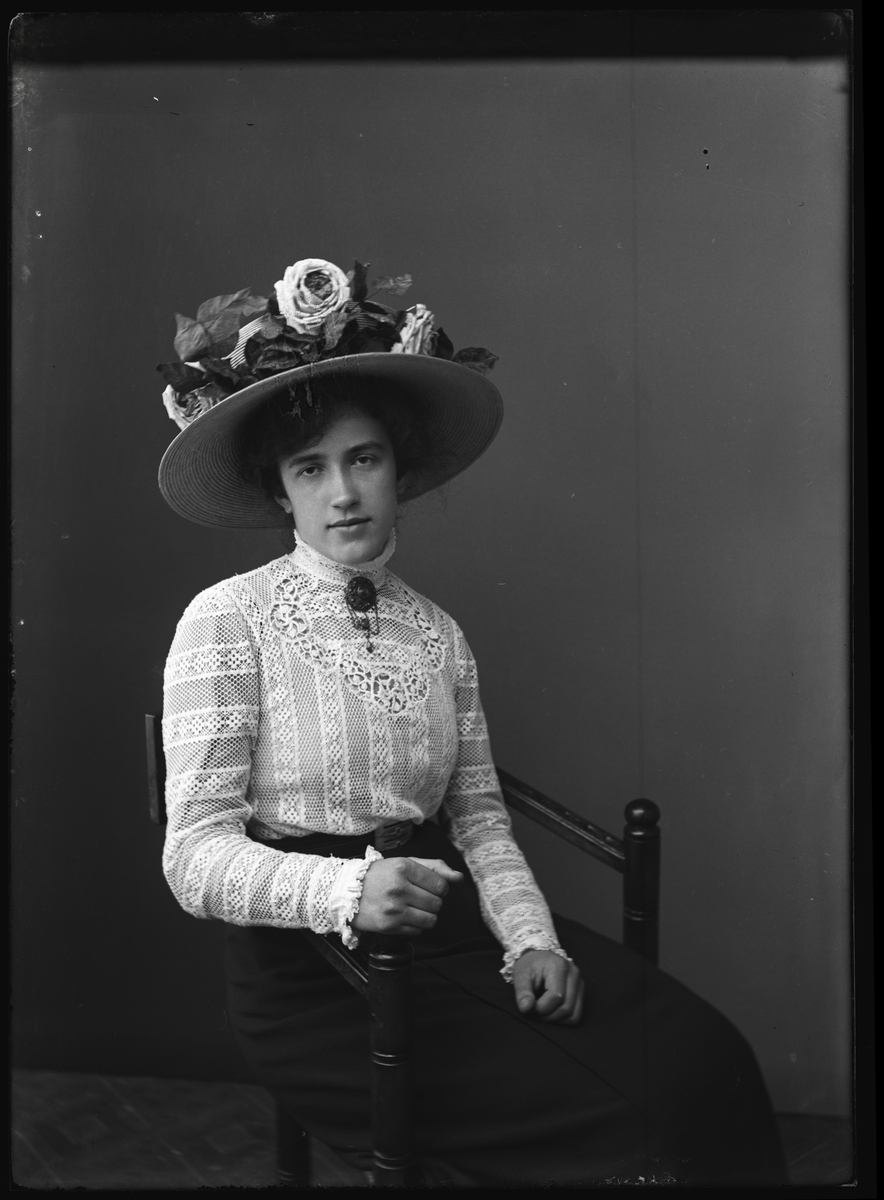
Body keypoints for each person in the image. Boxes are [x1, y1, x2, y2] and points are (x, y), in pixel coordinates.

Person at [157, 256, 787, 1187]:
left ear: (400, 470)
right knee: (633, 1131)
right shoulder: (228, 618)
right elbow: (193, 857)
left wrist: (531, 938)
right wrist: (346, 894)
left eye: (364, 458)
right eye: (310, 468)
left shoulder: (438, 634)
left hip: (450, 933)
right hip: (317, 979)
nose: (343, 493)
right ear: (280, 491)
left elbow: (481, 820)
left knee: (708, 1059)